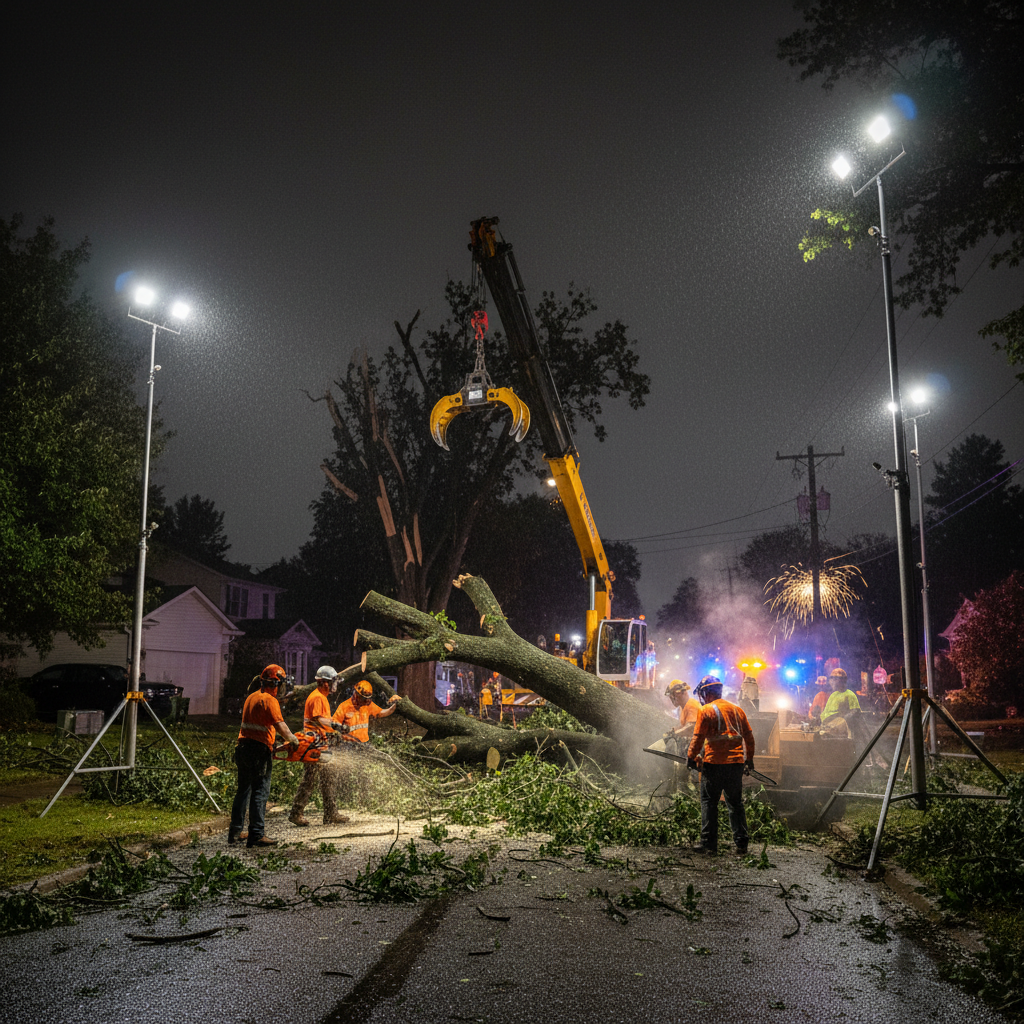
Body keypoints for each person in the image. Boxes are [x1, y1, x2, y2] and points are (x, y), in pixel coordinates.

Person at [229, 664, 300, 849]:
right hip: (258, 752)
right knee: (260, 791)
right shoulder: (270, 700)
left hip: (243, 747)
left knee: (243, 790)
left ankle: (235, 832)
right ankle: (256, 834)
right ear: (277, 684)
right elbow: (281, 726)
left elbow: (260, 725)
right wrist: (292, 739)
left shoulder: (251, 697)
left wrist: (272, 742)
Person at [687, 674, 756, 856]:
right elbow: (749, 737)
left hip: (714, 764)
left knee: (709, 803)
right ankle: (742, 844)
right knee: (735, 804)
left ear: (707, 693)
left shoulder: (706, 710)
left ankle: (709, 845)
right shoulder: (737, 710)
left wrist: (691, 756)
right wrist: (749, 759)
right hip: (735, 764)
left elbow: (698, 737)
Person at [288, 666, 350, 828]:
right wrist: (337, 726)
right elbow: (318, 719)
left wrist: (332, 733)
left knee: (328, 778)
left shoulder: (321, 697)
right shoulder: (317, 698)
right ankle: (296, 812)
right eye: (333, 681)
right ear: (325, 683)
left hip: (321, 743)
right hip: (313, 744)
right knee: (310, 780)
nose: (335, 684)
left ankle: (330, 813)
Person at [332, 679, 402, 743]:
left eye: (366, 699)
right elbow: (334, 725)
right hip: (348, 744)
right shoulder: (344, 706)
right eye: (363, 698)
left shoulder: (368, 704)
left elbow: (381, 713)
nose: (365, 701)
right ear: (356, 694)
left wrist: (395, 705)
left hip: (363, 744)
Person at [820, 667, 861, 737]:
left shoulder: (850, 694)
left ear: (843, 680)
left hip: (841, 733)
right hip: (827, 730)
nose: (832, 681)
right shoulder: (833, 695)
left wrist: (840, 722)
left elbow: (855, 712)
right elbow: (825, 712)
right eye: (831, 678)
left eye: (835, 678)